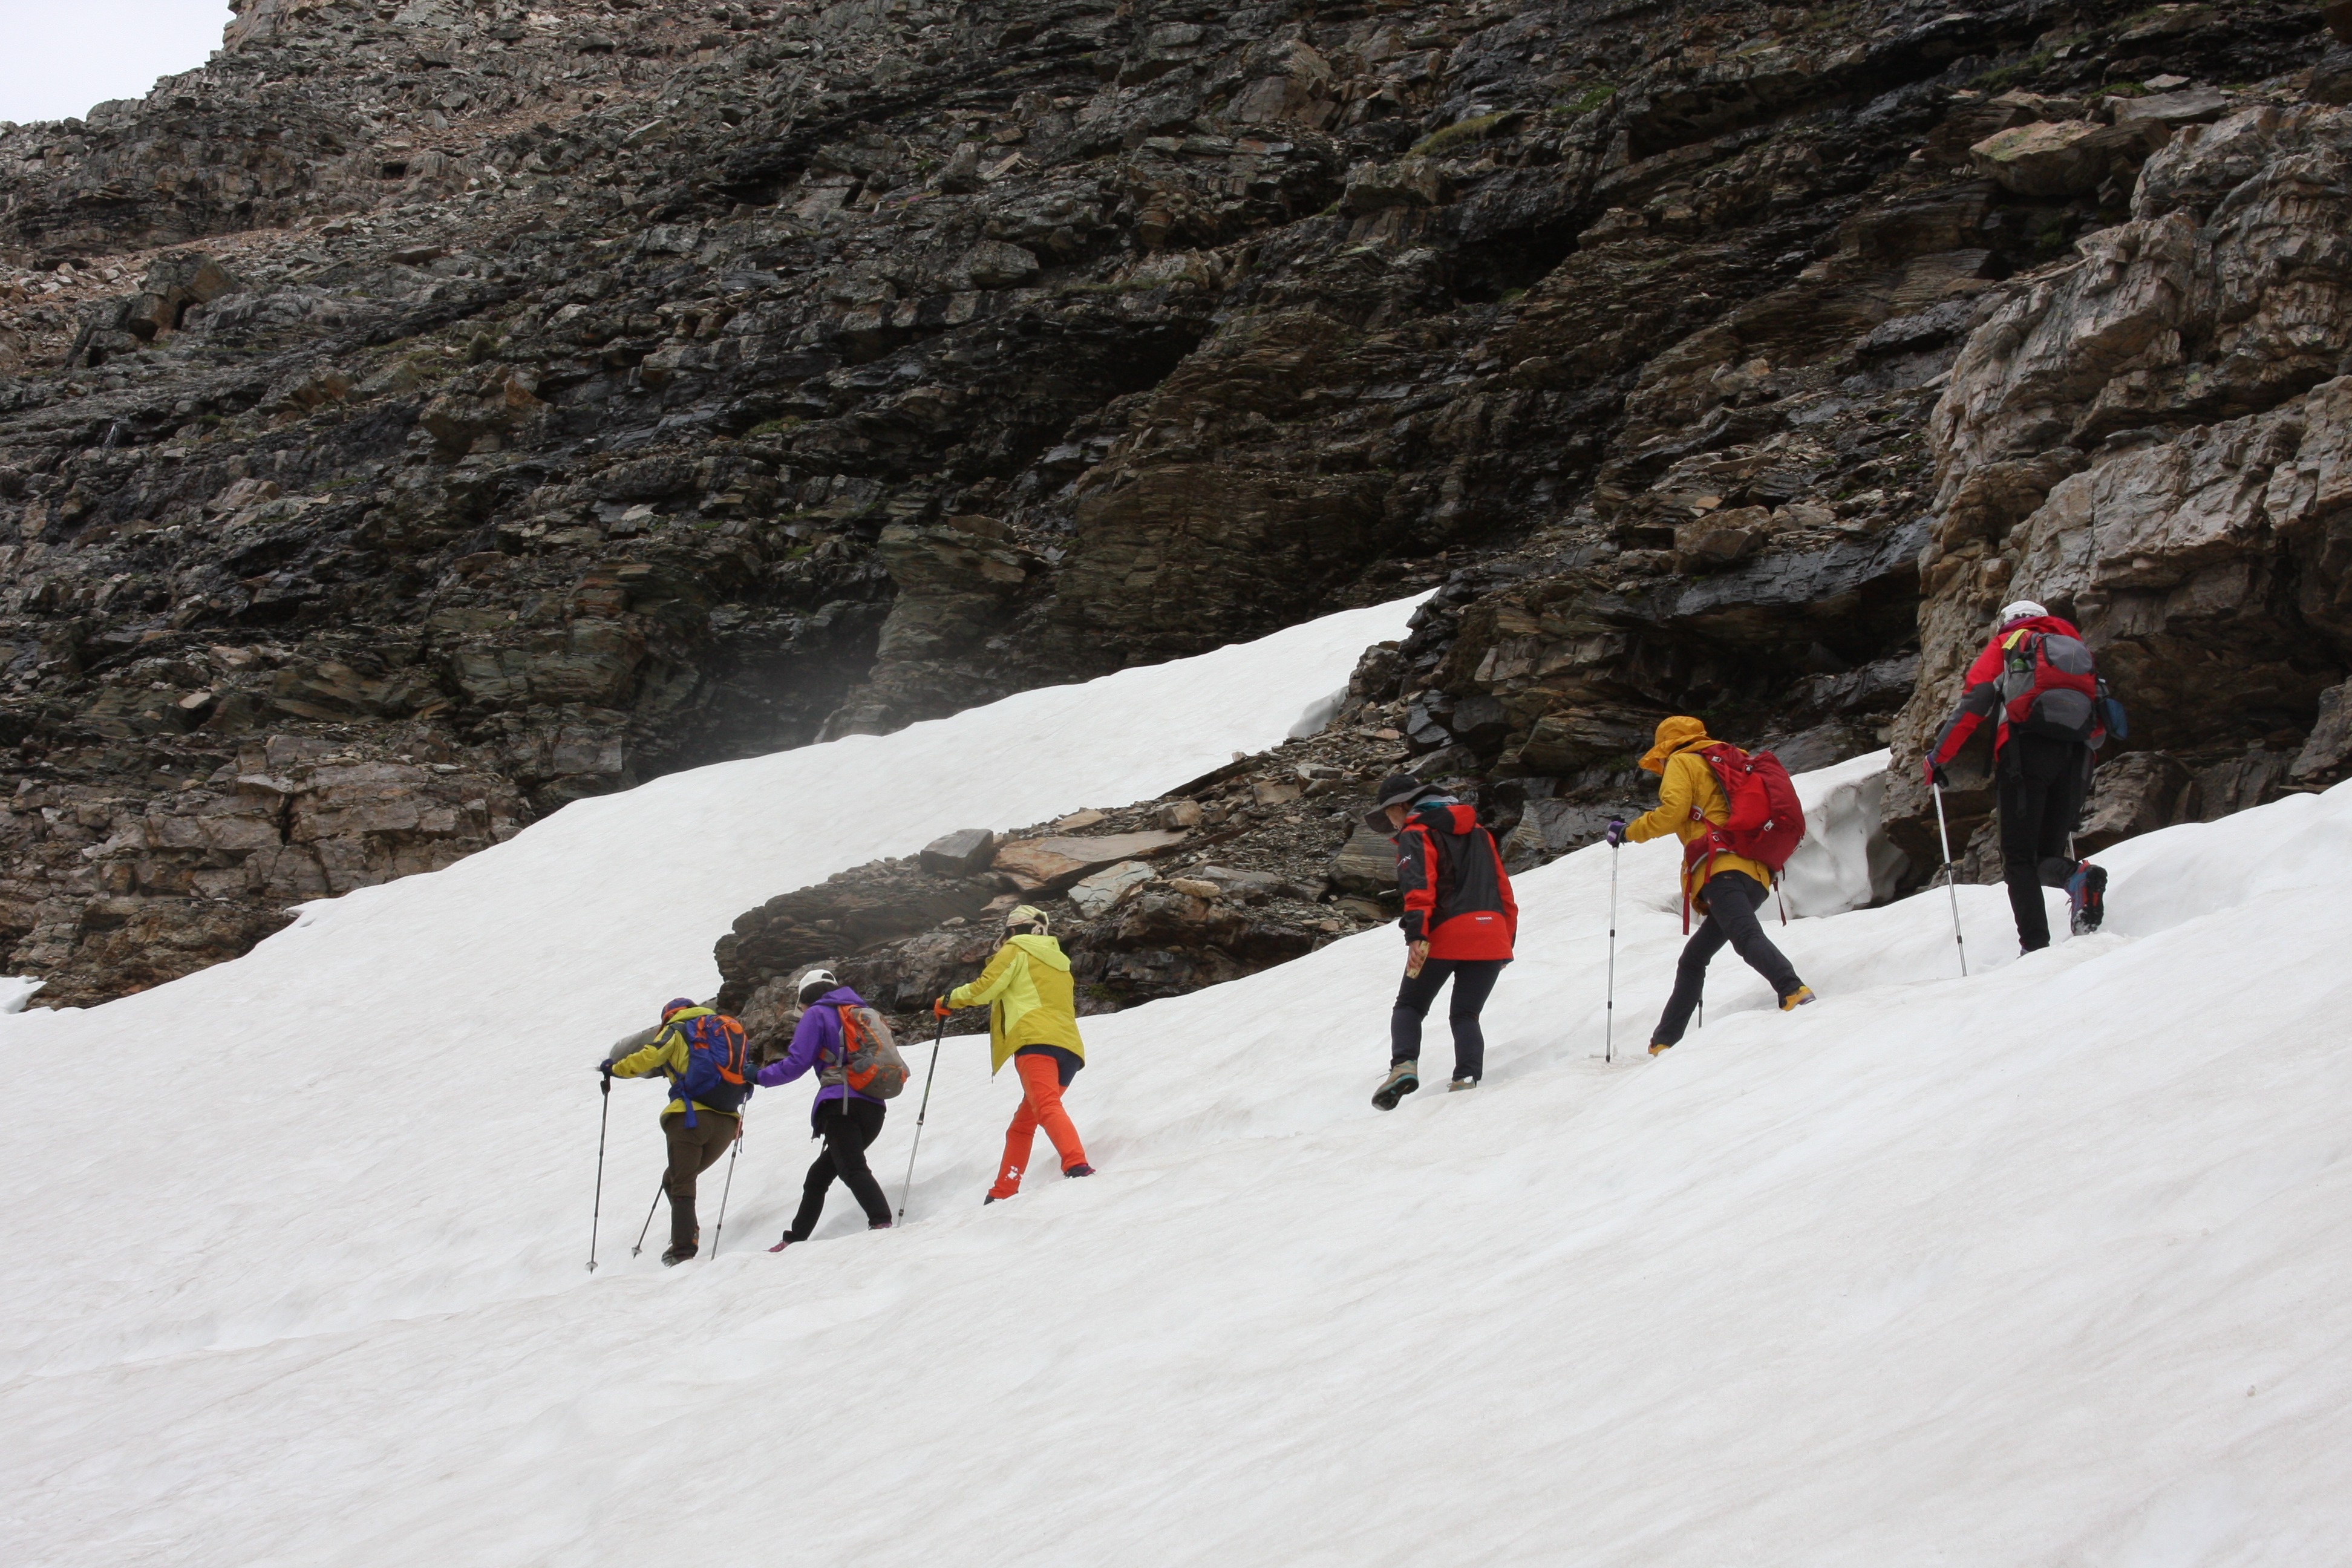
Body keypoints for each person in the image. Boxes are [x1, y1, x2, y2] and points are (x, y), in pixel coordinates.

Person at [1609, 717, 1814, 1056]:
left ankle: (1793, 990)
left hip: (1722, 869)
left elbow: (1673, 812)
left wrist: (1629, 832)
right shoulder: (1730, 759)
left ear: (1666, 747)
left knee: (1746, 937)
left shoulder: (1683, 761)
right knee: (1694, 958)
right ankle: (1665, 1041)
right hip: (1757, 873)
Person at [1924, 598, 2107, 952]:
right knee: (2040, 858)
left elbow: (1977, 701)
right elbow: (2099, 720)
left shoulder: (2009, 643)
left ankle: (2035, 947)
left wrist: (1938, 756)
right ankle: (2076, 877)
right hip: (2076, 759)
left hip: (2024, 754)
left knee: (2018, 859)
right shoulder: (2076, 649)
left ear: (2006, 622)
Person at [1365, 773, 1518, 1110]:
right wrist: (1506, 940)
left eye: (1389, 811)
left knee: (1409, 1006)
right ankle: (1466, 1079)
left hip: (1444, 934)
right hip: (1491, 934)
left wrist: (1417, 935)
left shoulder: (1416, 833)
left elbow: (1419, 885)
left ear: (1402, 805)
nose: (1389, 819)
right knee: (1466, 1014)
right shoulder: (1480, 833)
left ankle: (1404, 1065)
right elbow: (1504, 889)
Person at [935, 905, 1094, 1202]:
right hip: (1069, 1049)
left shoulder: (1015, 949)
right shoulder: (1059, 960)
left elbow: (985, 988)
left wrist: (949, 1000)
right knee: (1023, 1124)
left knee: (1045, 1107)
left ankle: (1077, 1165)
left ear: (1010, 931)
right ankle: (1002, 1192)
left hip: (1034, 1041)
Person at [601, 997, 749, 1266]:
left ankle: (683, 1250)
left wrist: (615, 1069)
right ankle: (687, 1234)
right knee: (674, 1178)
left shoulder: (678, 1029)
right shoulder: (725, 1029)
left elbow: (650, 1056)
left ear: (668, 1016)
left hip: (690, 1118)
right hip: (727, 1122)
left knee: (681, 1180)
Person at [759, 969, 895, 1250]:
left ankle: (881, 1221)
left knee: (852, 1168)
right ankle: (794, 1239)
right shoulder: (860, 1012)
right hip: (874, 1106)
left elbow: (796, 1064)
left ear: (806, 997)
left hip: (841, 1104)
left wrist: (758, 1077)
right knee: (819, 1176)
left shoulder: (817, 1014)